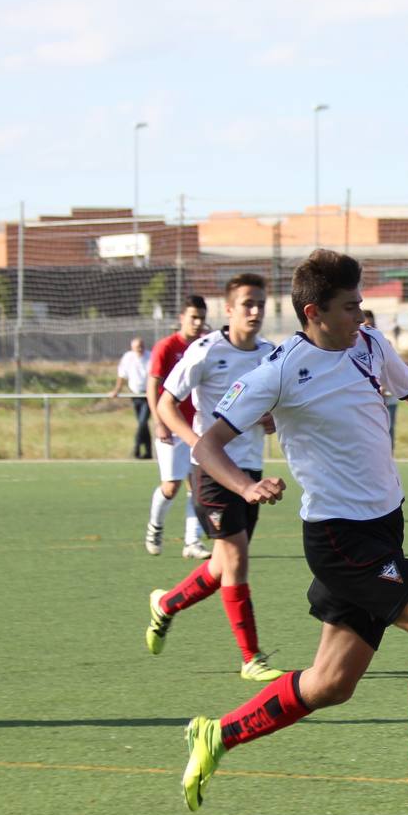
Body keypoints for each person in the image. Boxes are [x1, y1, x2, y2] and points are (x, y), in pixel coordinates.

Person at [179, 249, 408, 815]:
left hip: (384, 529)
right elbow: (207, 445)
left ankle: (217, 735)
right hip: (340, 541)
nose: (362, 313)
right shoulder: (279, 371)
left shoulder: (373, 346)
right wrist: (245, 487)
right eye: (351, 305)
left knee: (330, 683)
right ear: (315, 312)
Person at [146, 274, 282, 682]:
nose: (255, 311)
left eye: (260, 303)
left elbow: (275, 412)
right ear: (229, 309)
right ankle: (251, 658)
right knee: (237, 557)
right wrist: (196, 443)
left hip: (251, 471)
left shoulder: (273, 355)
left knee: (223, 567)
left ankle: (166, 605)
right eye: (247, 304)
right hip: (211, 473)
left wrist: (272, 418)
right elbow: (168, 403)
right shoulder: (204, 351)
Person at [146, 296, 212, 560]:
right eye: (193, 317)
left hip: (196, 428)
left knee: (196, 486)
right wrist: (159, 420)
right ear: (181, 318)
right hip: (171, 428)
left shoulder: (206, 345)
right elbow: (153, 386)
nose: (197, 323)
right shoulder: (166, 347)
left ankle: (192, 542)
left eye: (201, 318)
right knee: (171, 486)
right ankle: (155, 527)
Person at [363, 310, 402, 450]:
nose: (369, 328)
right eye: (365, 325)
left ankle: (388, 460)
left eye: (371, 325)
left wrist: (384, 387)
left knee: (388, 429)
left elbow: (392, 369)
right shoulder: (351, 346)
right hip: (368, 400)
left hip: (387, 398)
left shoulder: (383, 343)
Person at [109, 337, 152, 459]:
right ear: (132, 348)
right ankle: (148, 452)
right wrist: (117, 390)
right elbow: (122, 375)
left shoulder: (150, 356)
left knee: (142, 422)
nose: (140, 349)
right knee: (142, 424)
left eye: (141, 346)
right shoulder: (128, 357)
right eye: (137, 347)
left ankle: (136, 448)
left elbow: (154, 375)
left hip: (147, 395)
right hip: (135, 394)